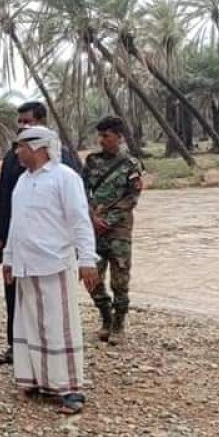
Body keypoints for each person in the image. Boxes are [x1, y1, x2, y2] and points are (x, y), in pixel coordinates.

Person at [2, 126, 99, 415]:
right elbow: (15, 225)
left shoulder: (65, 178)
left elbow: (80, 220)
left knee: (60, 327)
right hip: (25, 264)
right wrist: (8, 258)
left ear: (38, 147)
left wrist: (87, 260)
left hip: (55, 262)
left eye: (20, 147)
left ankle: (70, 389)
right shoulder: (22, 181)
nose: (17, 152)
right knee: (30, 324)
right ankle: (37, 380)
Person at [0, 101, 82, 366]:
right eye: (19, 123)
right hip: (17, 243)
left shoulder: (63, 161)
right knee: (16, 298)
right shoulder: (12, 158)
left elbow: (76, 208)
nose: (22, 127)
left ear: (41, 122)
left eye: (27, 122)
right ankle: (17, 348)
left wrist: (80, 251)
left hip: (53, 249)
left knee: (54, 308)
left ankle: (59, 360)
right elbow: (4, 198)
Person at [82, 116, 144, 345]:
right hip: (94, 228)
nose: (101, 140)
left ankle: (118, 324)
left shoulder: (131, 164)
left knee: (120, 280)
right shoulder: (92, 161)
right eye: (99, 135)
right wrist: (91, 217)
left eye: (106, 136)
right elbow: (81, 191)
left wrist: (108, 219)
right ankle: (105, 317)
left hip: (119, 230)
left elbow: (132, 197)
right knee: (92, 278)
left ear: (119, 137)